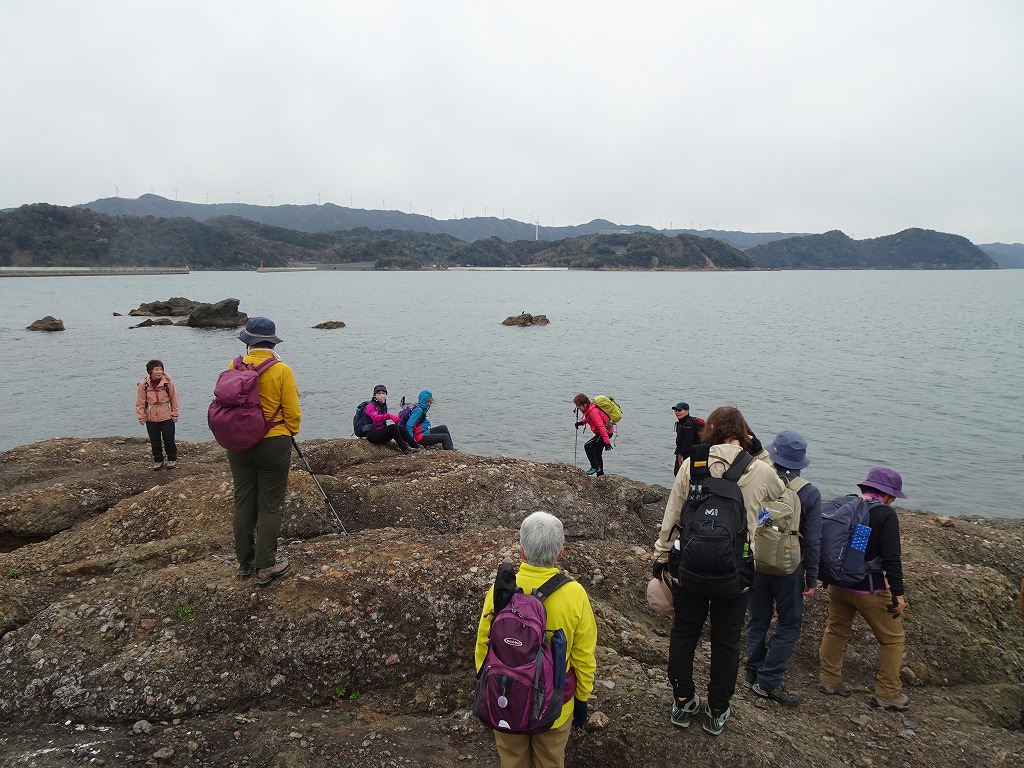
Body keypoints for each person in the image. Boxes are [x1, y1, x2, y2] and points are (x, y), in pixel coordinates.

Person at [652, 406, 785, 736]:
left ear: (709, 429)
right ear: (744, 432)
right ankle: (717, 710)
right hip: (735, 573)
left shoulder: (693, 463)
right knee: (726, 642)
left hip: (690, 567)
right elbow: (780, 490)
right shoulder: (758, 468)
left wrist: (661, 556)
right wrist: (759, 451)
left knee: (684, 634)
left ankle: (683, 701)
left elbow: (672, 515)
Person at [475, 511, 597, 768]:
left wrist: (489, 685)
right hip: (554, 705)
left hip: (506, 697)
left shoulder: (501, 590)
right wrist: (582, 698)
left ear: (522, 550)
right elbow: (583, 656)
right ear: (560, 552)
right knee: (550, 760)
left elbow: (484, 643)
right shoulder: (574, 594)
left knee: (512, 759)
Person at [818, 467, 909, 710]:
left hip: (838, 585)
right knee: (892, 640)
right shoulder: (885, 514)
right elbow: (891, 558)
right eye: (893, 496)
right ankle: (888, 693)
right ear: (887, 495)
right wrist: (898, 594)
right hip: (871, 590)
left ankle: (829, 680)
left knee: (836, 630)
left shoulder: (848, 505)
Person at [745, 430, 823, 706]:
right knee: (789, 624)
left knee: (757, 620)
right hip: (790, 568)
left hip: (757, 562)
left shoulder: (759, 480)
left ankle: (752, 672)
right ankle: (769, 681)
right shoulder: (809, 492)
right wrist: (812, 576)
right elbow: (813, 539)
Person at [227, 317, 301, 587]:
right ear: (272, 343)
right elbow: (292, 411)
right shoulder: (281, 370)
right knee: (271, 505)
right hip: (273, 442)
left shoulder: (234, 366)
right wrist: (290, 431)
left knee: (243, 502)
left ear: (248, 342)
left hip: (238, 443)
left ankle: (244, 562)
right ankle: (265, 564)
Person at [135, 359, 180, 470]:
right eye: (156, 369)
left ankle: (172, 458)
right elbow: (140, 402)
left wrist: (175, 413)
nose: (159, 372)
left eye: (161, 369)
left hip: (166, 415)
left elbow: (174, 398)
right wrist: (141, 416)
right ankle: (158, 460)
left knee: (169, 438)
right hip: (151, 417)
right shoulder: (144, 384)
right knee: (154, 440)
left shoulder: (168, 383)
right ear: (150, 371)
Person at [364, 385, 419, 453]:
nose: (381, 395)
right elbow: (376, 418)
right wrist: (390, 416)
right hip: (372, 434)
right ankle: (405, 449)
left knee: (400, 428)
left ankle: (415, 446)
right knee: (393, 427)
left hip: (381, 431)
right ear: (374, 395)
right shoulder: (370, 406)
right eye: (379, 393)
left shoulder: (383, 406)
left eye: (383, 393)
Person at [573, 393, 613, 477]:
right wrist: (581, 423)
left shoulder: (593, 412)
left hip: (605, 432)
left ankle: (595, 467)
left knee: (588, 446)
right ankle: (600, 474)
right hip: (606, 432)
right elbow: (588, 419)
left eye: (579, 407)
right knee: (597, 453)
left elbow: (601, 426)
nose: (579, 409)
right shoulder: (590, 408)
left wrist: (607, 442)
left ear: (584, 405)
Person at [672, 401, 700, 476]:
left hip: (688, 454)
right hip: (682, 452)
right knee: (678, 473)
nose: (677, 412)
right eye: (675, 410)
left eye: (679, 410)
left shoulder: (688, 424)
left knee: (681, 474)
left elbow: (688, 441)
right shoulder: (680, 423)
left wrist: (681, 454)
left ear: (687, 411)